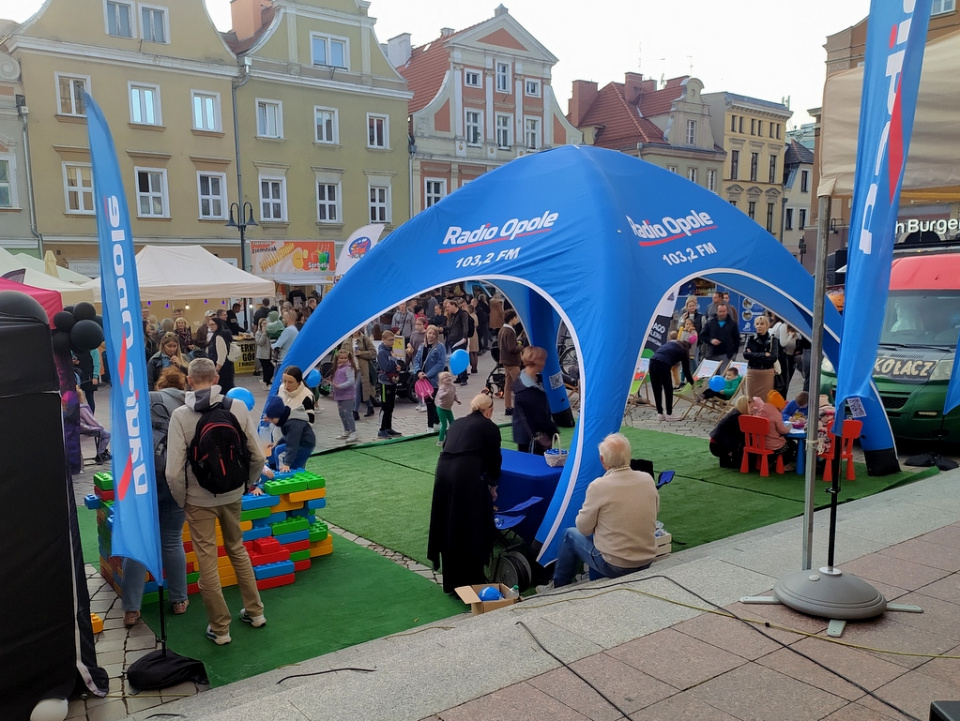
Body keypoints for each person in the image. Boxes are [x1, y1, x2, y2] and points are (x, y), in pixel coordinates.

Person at [166, 358, 266, 645]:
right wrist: (247, 483)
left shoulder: (181, 415)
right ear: (216, 377)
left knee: (207, 561)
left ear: (188, 380)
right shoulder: (236, 406)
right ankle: (255, 611)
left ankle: (220, 629)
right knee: (237, 549)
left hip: (198, 500)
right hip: (233, 493)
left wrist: (183, 499)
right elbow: (257, 455)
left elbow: (173, 471)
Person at [121, 368, 188, 627]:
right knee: (172, 541)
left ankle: (131, 610)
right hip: (176, 481)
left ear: (160, 384)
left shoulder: (147, 399)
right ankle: (179, 600)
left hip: (143, 482)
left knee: (137, 544)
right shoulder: (189, 405)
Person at [550, 433, 659, 588]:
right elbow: (654, 512)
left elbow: (583, 528)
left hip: (616, 565)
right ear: (628, 456)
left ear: (602, 460)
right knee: (602, 538)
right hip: (646, 559)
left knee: (569, 534)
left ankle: (559, 585)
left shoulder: (599, 486)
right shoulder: (647, 479)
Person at [427, 393, 501, 594]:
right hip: (466, 475)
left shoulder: (458, 423)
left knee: (449, 524)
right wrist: (493, 485)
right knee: (470, 526)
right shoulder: (490, 427)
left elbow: (447, 446)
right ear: (489, 410)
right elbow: (495, 460)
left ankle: (452, 583)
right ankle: (472, 581)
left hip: (443, 471)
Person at [512, 346, 558, 454]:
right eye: (543, 360)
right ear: (537, 361)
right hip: (533, 437)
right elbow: (536, 416)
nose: (544, 363)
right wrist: (551, 429)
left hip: (529, 435)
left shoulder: (530, 380)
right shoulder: (526, 389)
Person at [263, 394, 317, 471]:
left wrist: (287, 463)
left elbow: (293, 444)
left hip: (305, 445)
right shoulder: (285, 419)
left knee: (286, 459)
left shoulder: (293, 423)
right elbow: (288, 435)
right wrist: (277, 442)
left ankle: (285, 472)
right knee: (278, 449)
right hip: (300, 442)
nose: (271, 422)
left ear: (279, 415)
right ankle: (284, 470)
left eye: (272, 419)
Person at [647, 339, 694, 421]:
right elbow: (686, 371)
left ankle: (660, 413)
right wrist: (692, 383)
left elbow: (668, 355)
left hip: (652, 361)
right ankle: (669, 414)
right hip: (663, 363)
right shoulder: (684, 350)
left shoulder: (670, 344)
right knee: (668, 389)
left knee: (656, 389)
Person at [413, 324, 447, 432]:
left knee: (432, 402)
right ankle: (434, 424)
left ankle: (433, 424)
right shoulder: (422, 346)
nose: (431, 336)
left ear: (436, 335)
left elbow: (440, 363)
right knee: (429, 403)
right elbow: (417, 360)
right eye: (429, 333)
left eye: (433, 334)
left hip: (434, 380)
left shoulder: (440, 347)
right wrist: (418, 371)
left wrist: (428, 374)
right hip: (423, 379)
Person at [751, 396, 796, 466]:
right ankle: (784, 464)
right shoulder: (776, 414)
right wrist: (789, 428)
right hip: (773, 447)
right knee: (792, 445)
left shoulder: (760, 410)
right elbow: (782, 430)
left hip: (758, 444)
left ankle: (770, 461)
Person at [709, 395, 751, 469]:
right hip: (718, 446)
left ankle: (727, 459)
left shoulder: (734, 413)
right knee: (743, 441)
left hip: (715, 443)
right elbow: (742, 435)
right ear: (745, 407)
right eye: (751, 407)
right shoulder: (737, 417)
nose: (753, 409)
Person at [743, 314, 779, 401]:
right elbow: (746, 355)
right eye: (757, 324)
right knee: (751, 399)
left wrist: (754, 355)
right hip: (753, 372)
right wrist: (763, 355)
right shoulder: (750, 338)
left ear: (767, 325)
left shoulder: (773, 339)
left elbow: (773, 357)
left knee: (766, 399)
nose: (759, 326)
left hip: (767, 373)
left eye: (762, 324)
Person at [377, 330, 402, 439]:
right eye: (390, 340)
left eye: (393, 340)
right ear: (383, 340)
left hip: (392, 381)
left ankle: (388, 427)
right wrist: (393, 359)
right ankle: (382, 429)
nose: (392, 342)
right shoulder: (382, 352)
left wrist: (397, 367)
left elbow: (393, 365)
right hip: (385, 382)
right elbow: (385, 367)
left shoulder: (390, 350)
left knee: (391, 405)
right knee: (385, 406)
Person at [331, 349, 358, 443]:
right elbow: (335, 379)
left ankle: (353, 432)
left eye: (345, 358)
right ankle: (347, 430)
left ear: (349, 358)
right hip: (339, 395)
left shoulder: (349, 368)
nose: (343, 360)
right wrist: (333, 388)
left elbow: (351, 381)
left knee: (348, 414)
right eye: (341, 358)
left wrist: (339, 386)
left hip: (348, 396)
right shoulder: (338, 368)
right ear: (337, 359)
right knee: (342, 414)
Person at [498, 310, 522, 416]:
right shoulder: (510, 331)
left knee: (508, 385)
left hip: (505, 360)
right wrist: (520, 347)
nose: (517, 319)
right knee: (519, 384)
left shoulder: (502, 330)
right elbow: (511, 348)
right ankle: (521, 407)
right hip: (512, 361)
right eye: (516, 318)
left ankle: (508, 407)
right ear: (512, 319)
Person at [78, 388, 111, 464]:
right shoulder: (81, 408)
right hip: (85, 429)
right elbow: (91, 421)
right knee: (107, 434)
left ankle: (101, 452)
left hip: (77, 428)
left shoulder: (68, 407)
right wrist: (100, 426)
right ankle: (100, 453)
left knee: (101, 431)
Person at [204, 314, 235, 393]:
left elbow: (221, 356)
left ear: (218, 325)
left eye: (212, 324)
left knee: (223, 391)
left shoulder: (219, 337)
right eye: (209, 324)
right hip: (225, 367)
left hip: (222, 369)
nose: (210, 326)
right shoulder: (216, 335)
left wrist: (216, 370)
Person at [443, 298, 470, 385]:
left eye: (448, 306)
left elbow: (466, 326)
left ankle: (464, 378)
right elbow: (451, 327)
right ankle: (459, 376)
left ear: (454, 306)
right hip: (453, 339)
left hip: (460, 340)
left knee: (460, 359)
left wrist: (465, 337)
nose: (447, 308)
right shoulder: (453, 315)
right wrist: (442, 329)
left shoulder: (463, 314)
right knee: (455, 359)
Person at [352, 328, 377, 420]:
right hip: (351, 368)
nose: (354, 331)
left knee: (357, 388)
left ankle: (355, 411)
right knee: (362, 390)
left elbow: (373, 353)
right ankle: (370, 407)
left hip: (362, 369)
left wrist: (361, 353)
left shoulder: (364, 339)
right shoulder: (347, 341)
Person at [434, 371, 461, 447]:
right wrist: (446, 393)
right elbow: (440, 396)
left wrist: (457, 400)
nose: (448, 378)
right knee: (444, 424)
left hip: (448, 408)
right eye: (446, 377)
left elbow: (454, 394)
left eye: (449, 376)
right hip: (441, 408)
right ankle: (440, 440)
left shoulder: (452, 386)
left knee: (452, 423)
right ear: (442, 380)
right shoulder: (442, 387)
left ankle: (453, 438)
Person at [254, 317, 274, 389]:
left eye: (266, 324)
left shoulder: (269, 332)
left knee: (271, 368)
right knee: (267, 369)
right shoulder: (258, 333)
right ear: (260, 325)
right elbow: (260, 343)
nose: (265, 325)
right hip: (262, 354)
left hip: (269, 354)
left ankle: (266, 381)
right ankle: (266, 382)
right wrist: (264, 334)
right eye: (264, 324)